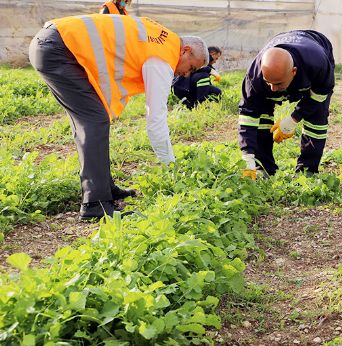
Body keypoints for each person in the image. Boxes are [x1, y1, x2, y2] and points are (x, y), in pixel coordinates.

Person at [29, 13, 208, 219]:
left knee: (94, 119)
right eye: (191, 67)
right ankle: (95, 204)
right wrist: (170, 165)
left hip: (54, 42)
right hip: (59, 49)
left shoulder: (161, 40)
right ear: (185, 51)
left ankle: (104, 187)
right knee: (94, 120)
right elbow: (156, 117)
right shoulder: (162, 56)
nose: (186, 74)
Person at [239, 30, 335, 177]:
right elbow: (248, 116)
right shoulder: (255, 76)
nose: (273, 88)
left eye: (278, 83)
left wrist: (293, 119)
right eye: (268, 82)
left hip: (316, 46)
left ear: (293, 71)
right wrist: (247, 157)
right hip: (282, 45)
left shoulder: (318, 64)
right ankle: (263, 168)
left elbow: (320, 94)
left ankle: (307, 171)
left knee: (317, 117)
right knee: (262, 117)